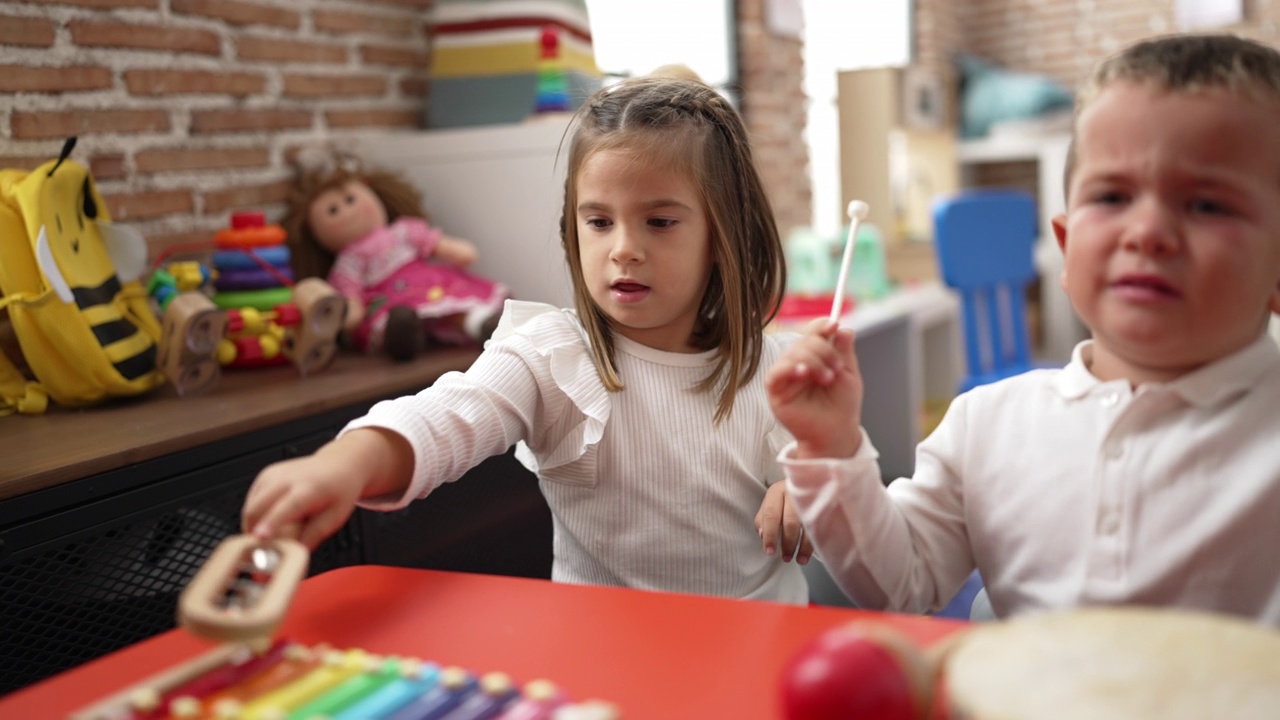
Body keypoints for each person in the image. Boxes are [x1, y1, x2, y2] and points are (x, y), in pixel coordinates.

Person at [766, 33, 1280, 624]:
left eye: (1207, 205)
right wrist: (832, 450)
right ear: (1065, 249)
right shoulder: (987, 424)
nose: (1147, 232)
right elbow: (902, 584)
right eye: (1113, 196)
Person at [243, 74, 815, 603]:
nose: (622, 248)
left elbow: (834, 470)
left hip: (754, 649)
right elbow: (446, 418)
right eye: (598, 221)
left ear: (723, 235)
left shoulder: (779, 367)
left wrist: (808, 491)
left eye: (659, 222)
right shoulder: (549, 356)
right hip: (599, 660)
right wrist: (344, 464)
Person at [283, 149, 509, 361]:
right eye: (333, 211)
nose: (347, 213)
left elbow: (439, 245)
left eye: (350, 200)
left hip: (428, 283)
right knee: (393, 319)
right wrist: (349, 314)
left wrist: (457, 251)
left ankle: (479, 323)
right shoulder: (348, 261)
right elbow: (350, 295)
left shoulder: (402, 231)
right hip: (387, 300)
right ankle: (402, 338)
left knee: (452, 304)